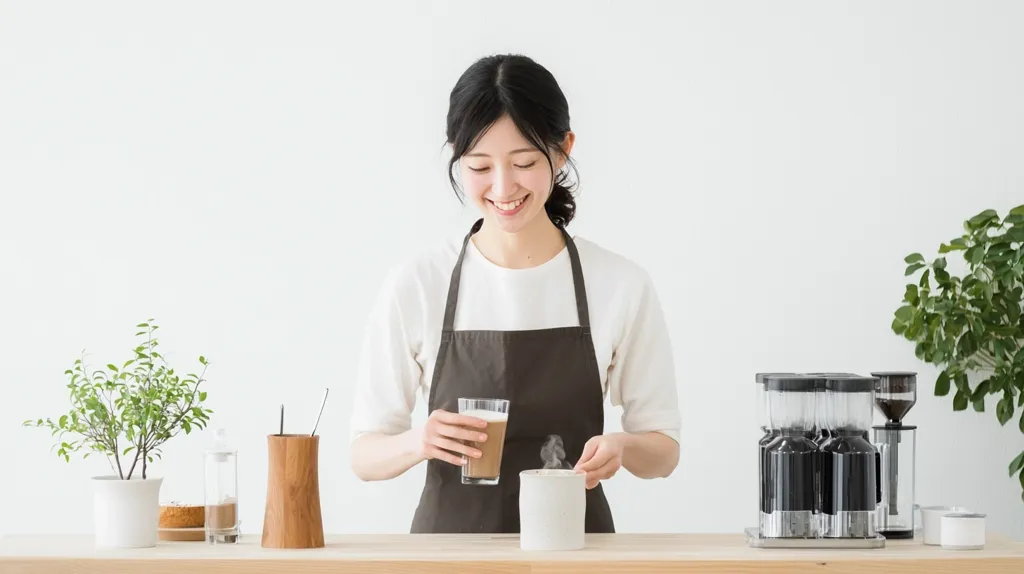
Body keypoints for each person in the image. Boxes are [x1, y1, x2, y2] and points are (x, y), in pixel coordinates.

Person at [348, 53, 681, 534]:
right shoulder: (418, 283)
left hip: (574, 554)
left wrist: (624, 448)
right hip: (448, 559)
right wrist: (420, 440)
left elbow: (663, 452)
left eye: (524, 162)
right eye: (479, 166)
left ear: (563, 149)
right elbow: (364, 455)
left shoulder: (620, 283)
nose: (503, 187)